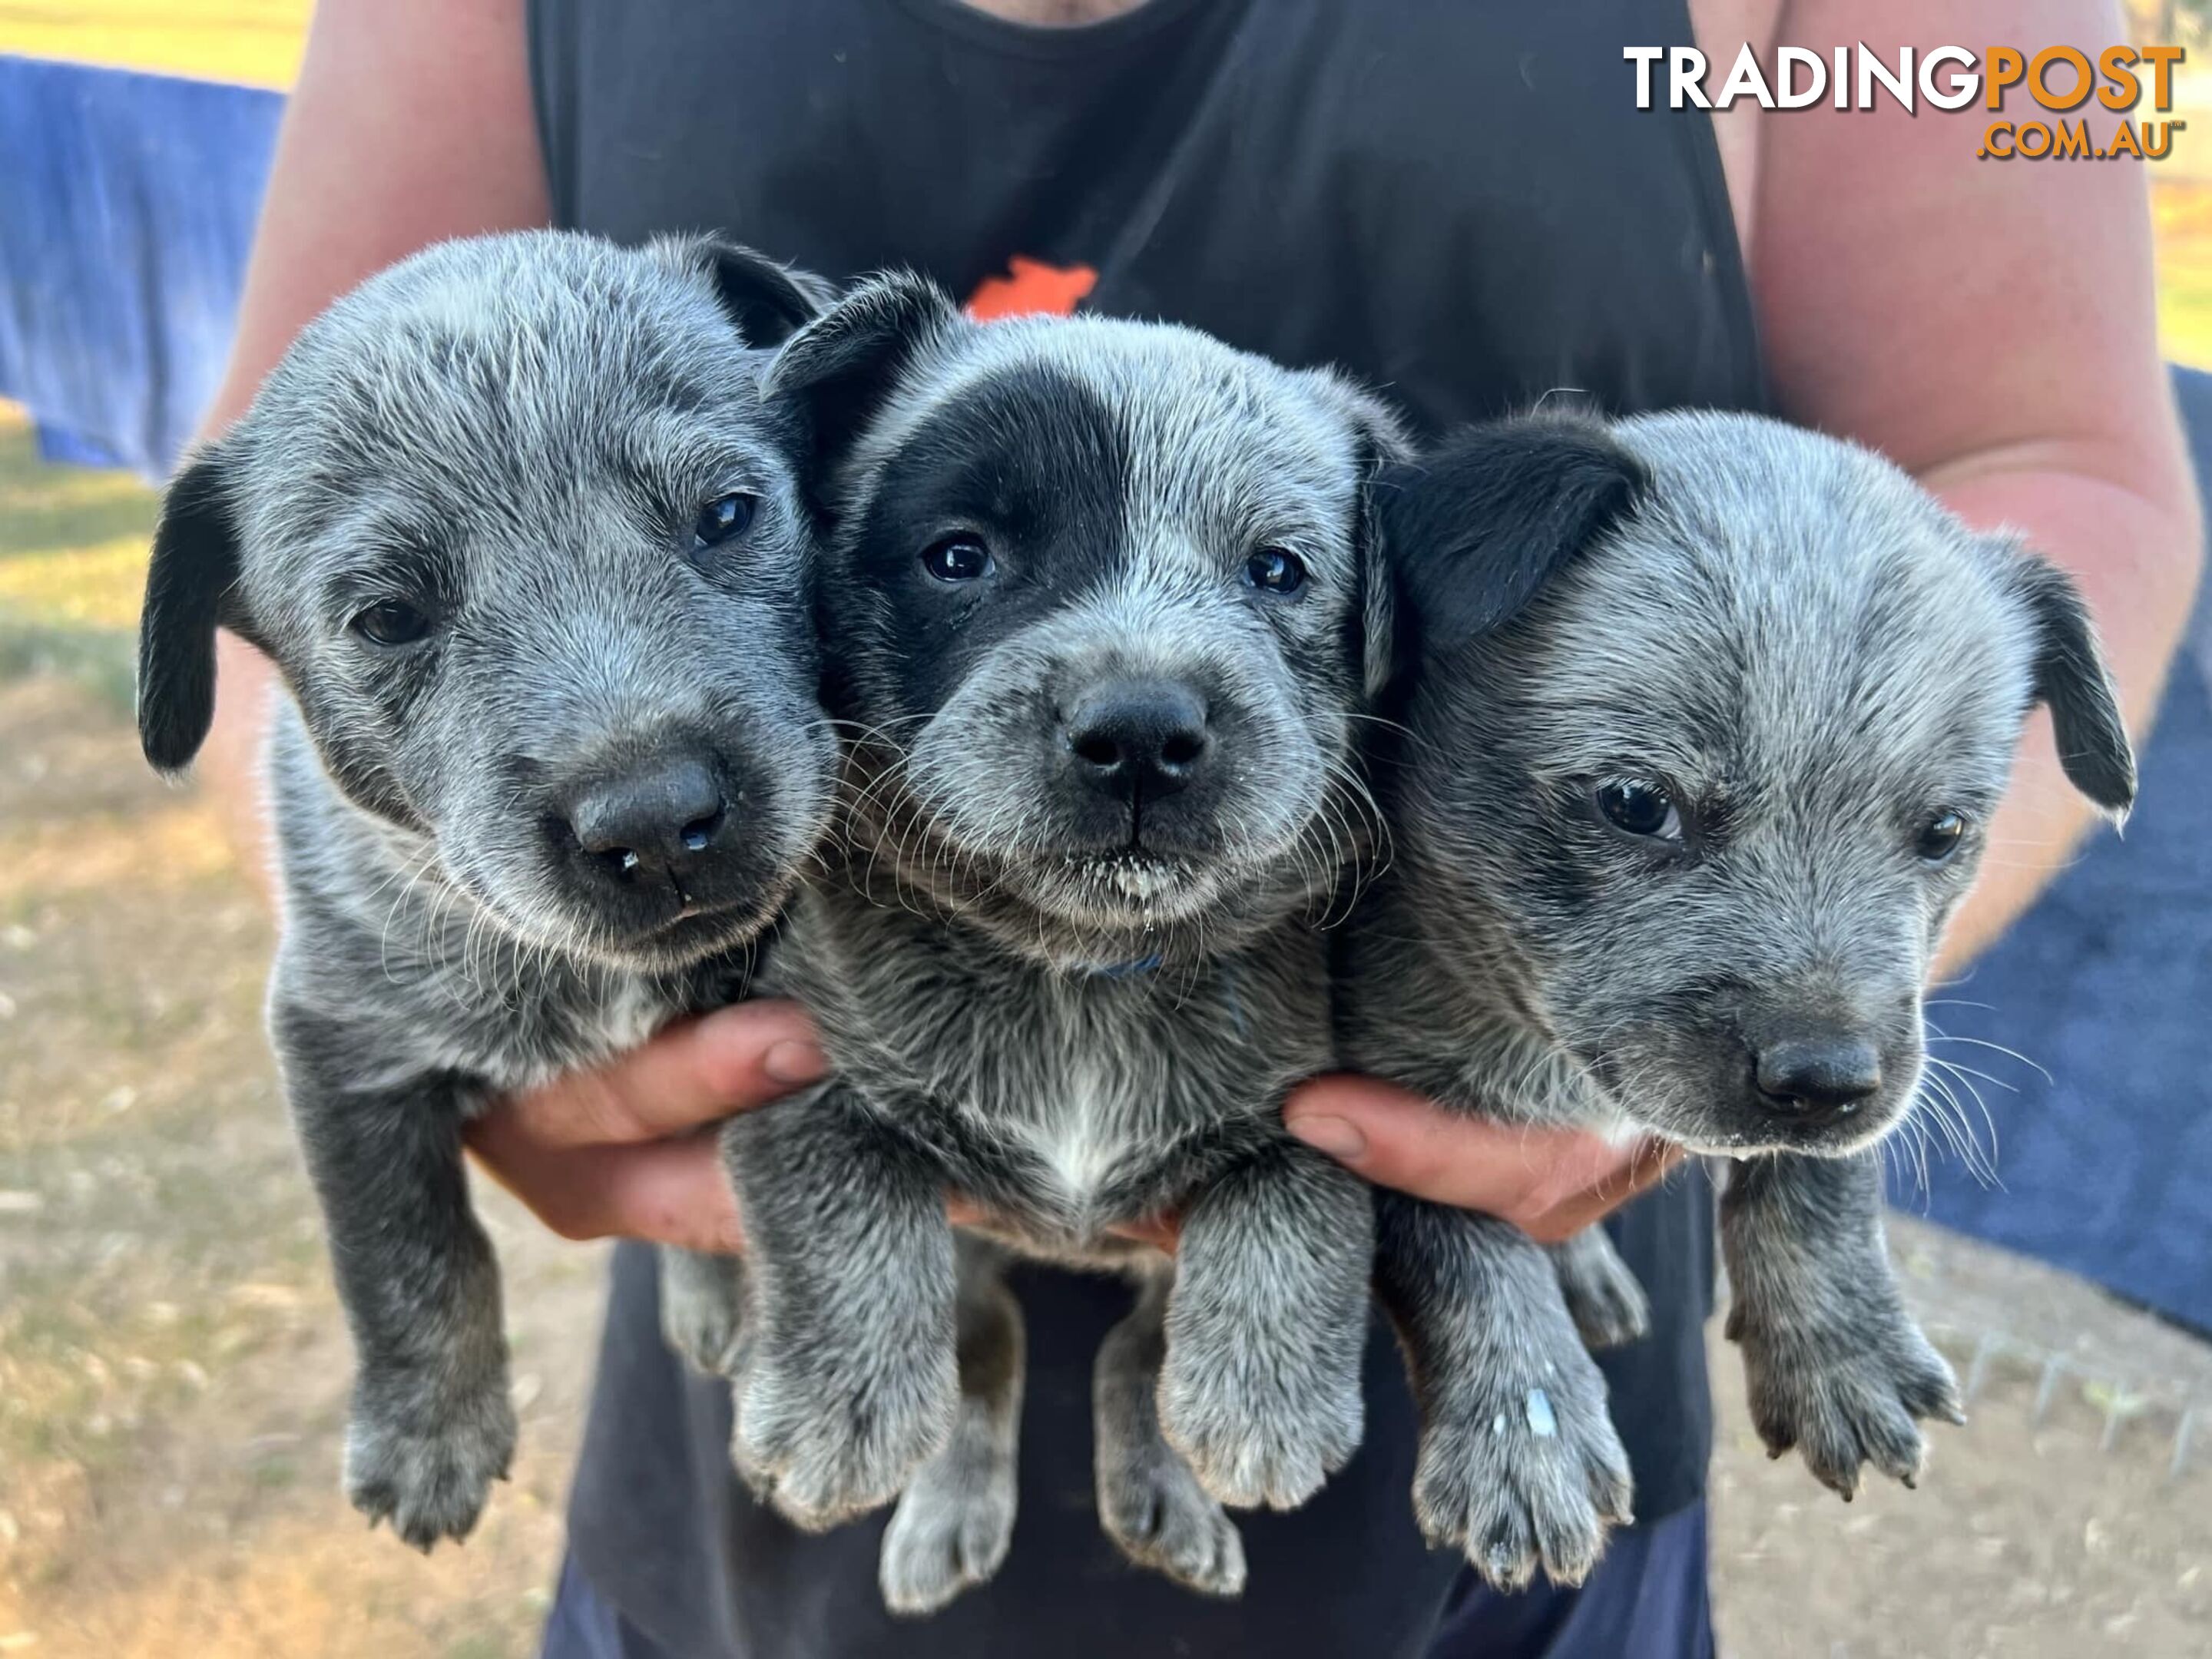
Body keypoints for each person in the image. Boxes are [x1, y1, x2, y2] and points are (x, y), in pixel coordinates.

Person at [187, 1, 2202, 1654]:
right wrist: (445, 957)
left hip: (1500, 1403)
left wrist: (1753, 1010)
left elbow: (2064, 463)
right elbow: (276, 523)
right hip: (774, 1372)